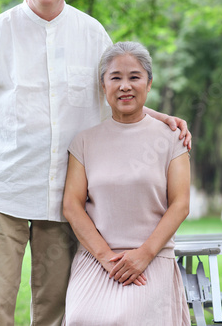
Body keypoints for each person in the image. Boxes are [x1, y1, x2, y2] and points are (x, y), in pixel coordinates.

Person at [0, 0, 191, 326]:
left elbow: (118, 90)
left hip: (66, 198)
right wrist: (15, 142)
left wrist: (161, 117)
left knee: (54, 309)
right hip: (2, 188)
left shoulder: (92, 33)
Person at [62, 41, 191, 326]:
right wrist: (107, 258)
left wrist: (143, 255)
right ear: (102, 85)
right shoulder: (84, 142)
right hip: (97, 259)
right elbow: (72, 206)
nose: (125, 86)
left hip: (152, 258)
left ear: (149, 83)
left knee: (131, 318)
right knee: (81, 317)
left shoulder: (171, 139)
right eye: (115, 78)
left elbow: (180, 204)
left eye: (134, 77)